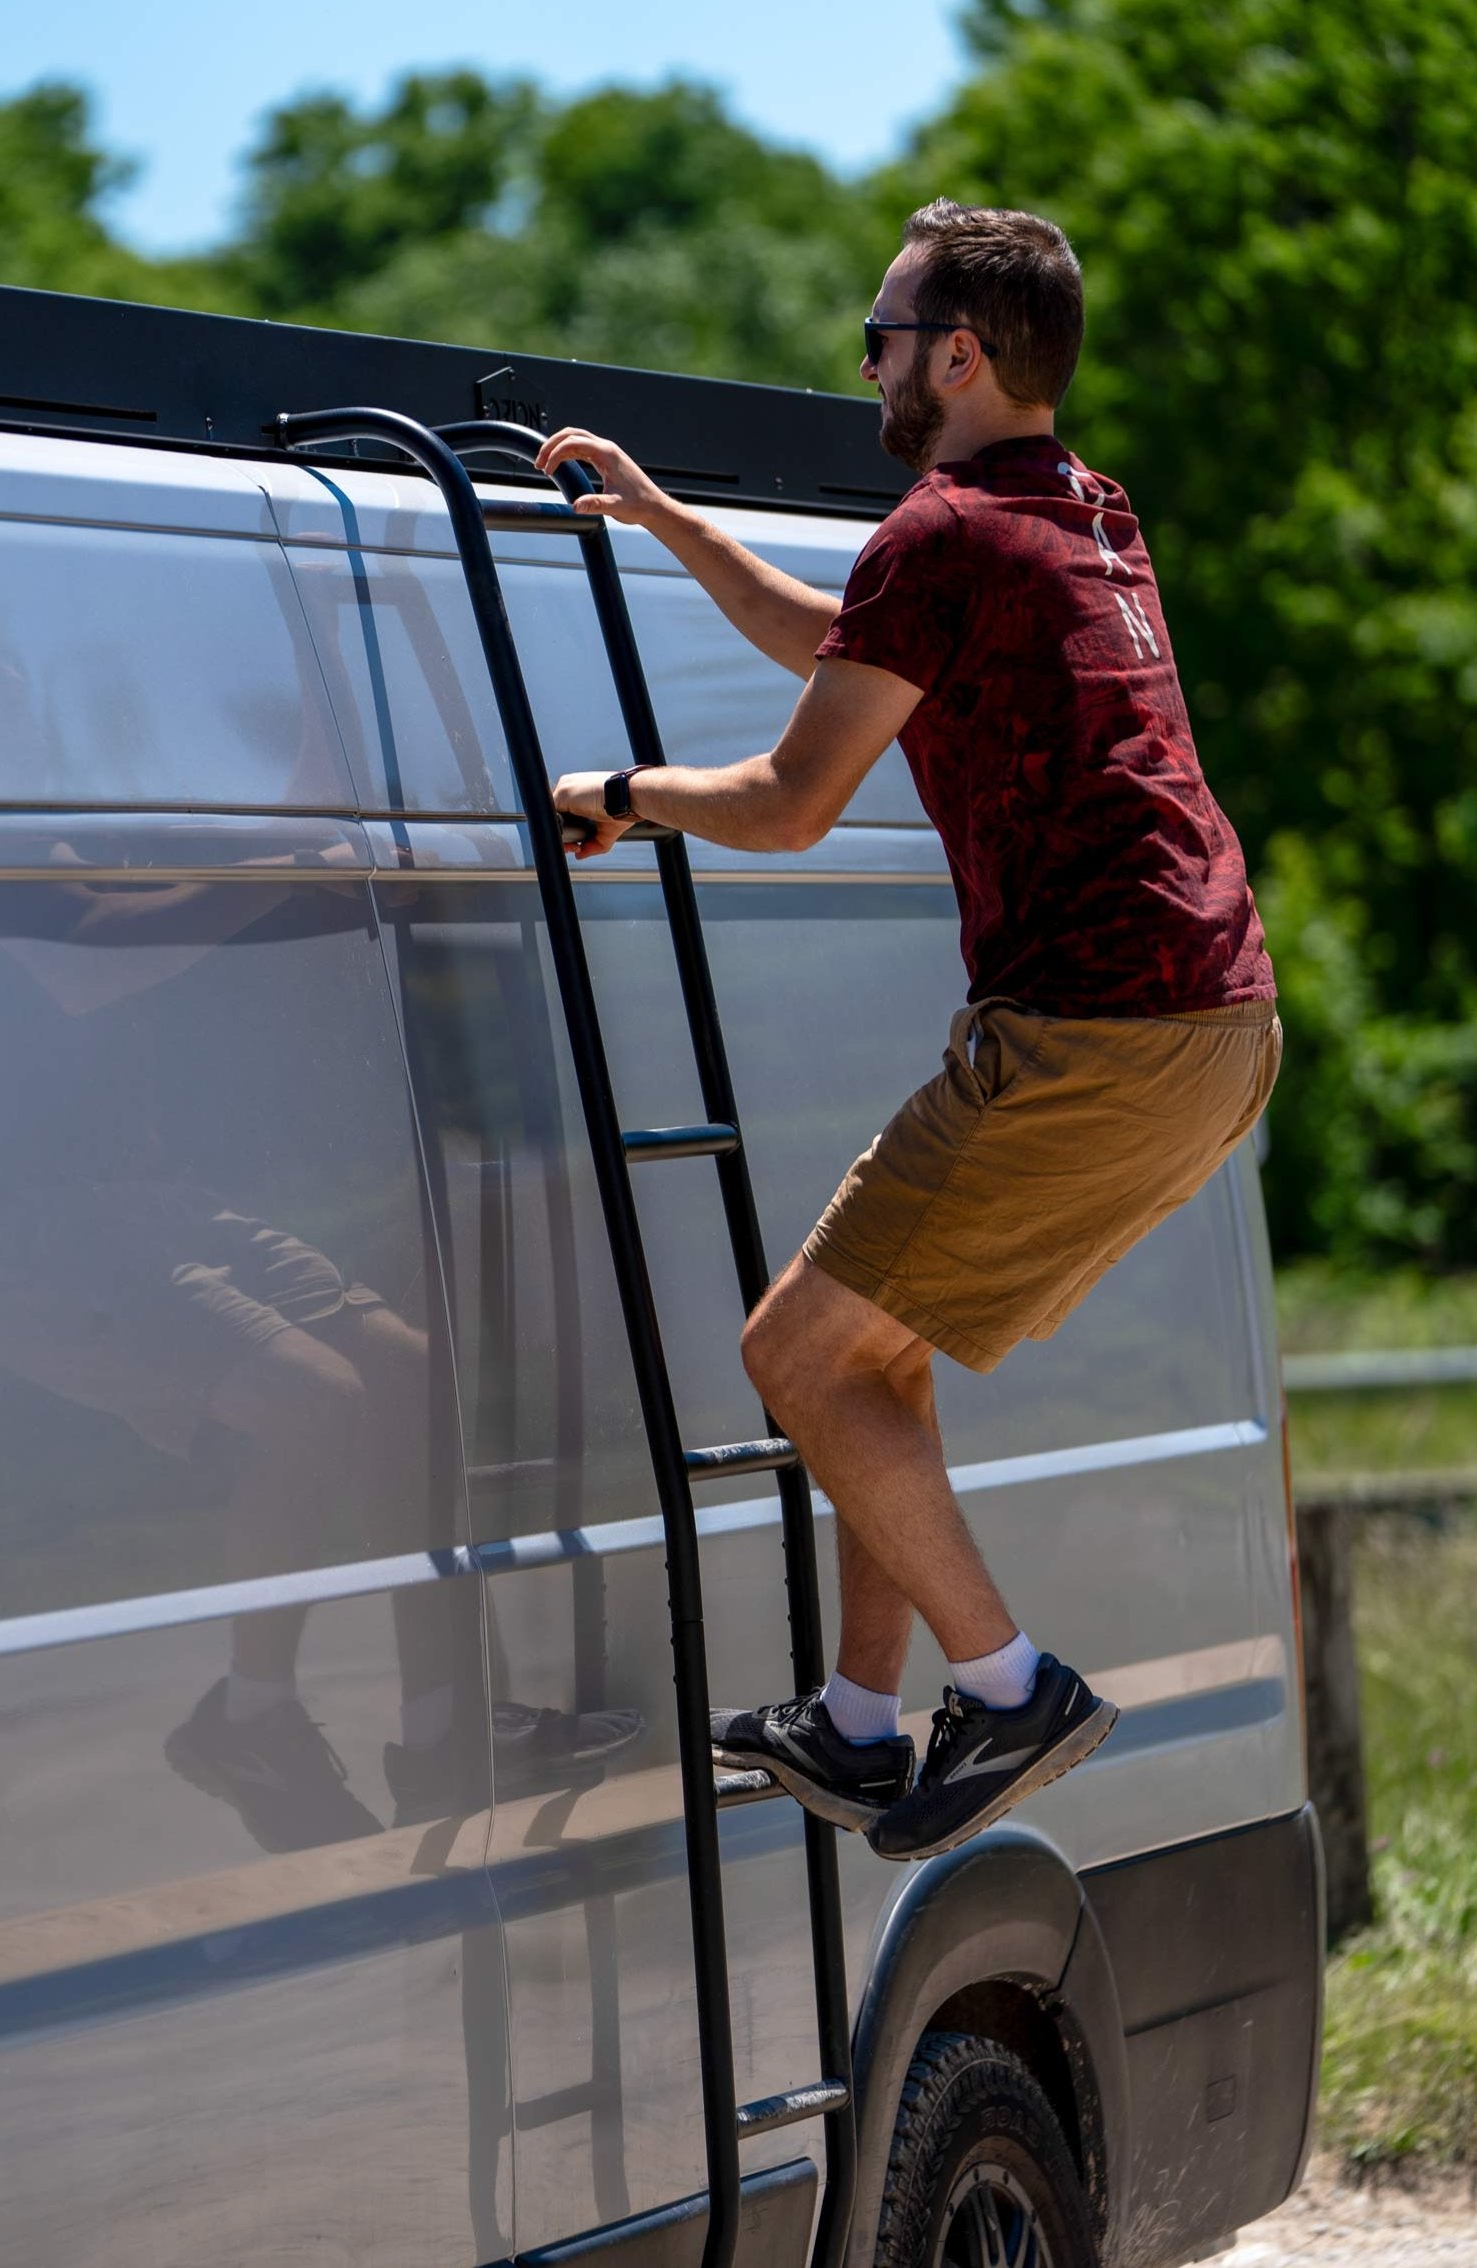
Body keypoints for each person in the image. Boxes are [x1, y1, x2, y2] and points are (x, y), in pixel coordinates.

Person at [539, 197, 1280, 1864]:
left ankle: (1008, 1688)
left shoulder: (942, 529)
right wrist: (661, 519)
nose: (863, 361)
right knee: (872, 1355)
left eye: (878, 336)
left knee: (790, 1356)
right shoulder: (1080, 513)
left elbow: (796, 800)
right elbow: (857, 647)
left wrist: (617, 796)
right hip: (1211, 1023)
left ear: (954, 353)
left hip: (1094, 1022)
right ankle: (865, 1726)